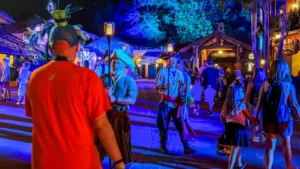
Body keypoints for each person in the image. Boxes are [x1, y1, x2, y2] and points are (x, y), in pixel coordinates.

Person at [25, 7, 125, 169]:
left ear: (50, 49)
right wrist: (118, 161)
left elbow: (35, 116)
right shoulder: (88, 78)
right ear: (77, 47)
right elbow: (101, 125)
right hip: (79, 161)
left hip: (43, 162)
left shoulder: (35, 77)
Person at [255, 59, 300, 169]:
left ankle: (268, 168)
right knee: (286, 144)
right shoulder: (288, 86)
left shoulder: (265, 85)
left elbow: (259, 103)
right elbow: (294, 104)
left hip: (269, 119)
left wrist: (256, 119)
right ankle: (289, 166)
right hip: (284, 119)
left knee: (270, 147)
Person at [96, 49, 138, 164]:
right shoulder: (104, 78)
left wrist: (116, 99)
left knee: (121, 150)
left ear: (124, 65)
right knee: (98, 147)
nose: (115, 64)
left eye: (118, 62)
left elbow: (132, 100)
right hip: (105, 117)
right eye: (113, 62)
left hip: (120, 117)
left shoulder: (129, 81)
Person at [155, 54, 195, 154]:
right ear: (167, 62)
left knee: (181, 125)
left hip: (177, 104)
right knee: (163, 125)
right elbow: (157, 86)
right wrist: (164, 86)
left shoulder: (179, 73)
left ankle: (185, 147)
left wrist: (186, 94)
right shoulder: (162, 72)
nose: (172, 62)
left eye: (174, 61)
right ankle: (162, 146)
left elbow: (183, 88)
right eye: (170, 60)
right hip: (166, 103)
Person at [220, 85, 257, 169]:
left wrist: (225, 124)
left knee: (236, 147)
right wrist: (256, 121)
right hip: (238, 129)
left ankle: (240, 164)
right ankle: (231, 167)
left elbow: (222, 117)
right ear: (237, 94)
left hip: (229, 127)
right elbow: (249, 117)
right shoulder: (241, 105)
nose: (243, 92)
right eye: (241, 91)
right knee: (234, 149)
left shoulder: (226, 104)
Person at [244, 67, 266, 142]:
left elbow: (248, 94)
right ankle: (263, 132)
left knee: (255, 120)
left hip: (253, 103)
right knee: (263, 119)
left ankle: (256, 136)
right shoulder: (266, 82)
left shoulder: (251, 82)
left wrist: (244, 102)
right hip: (263, 104)